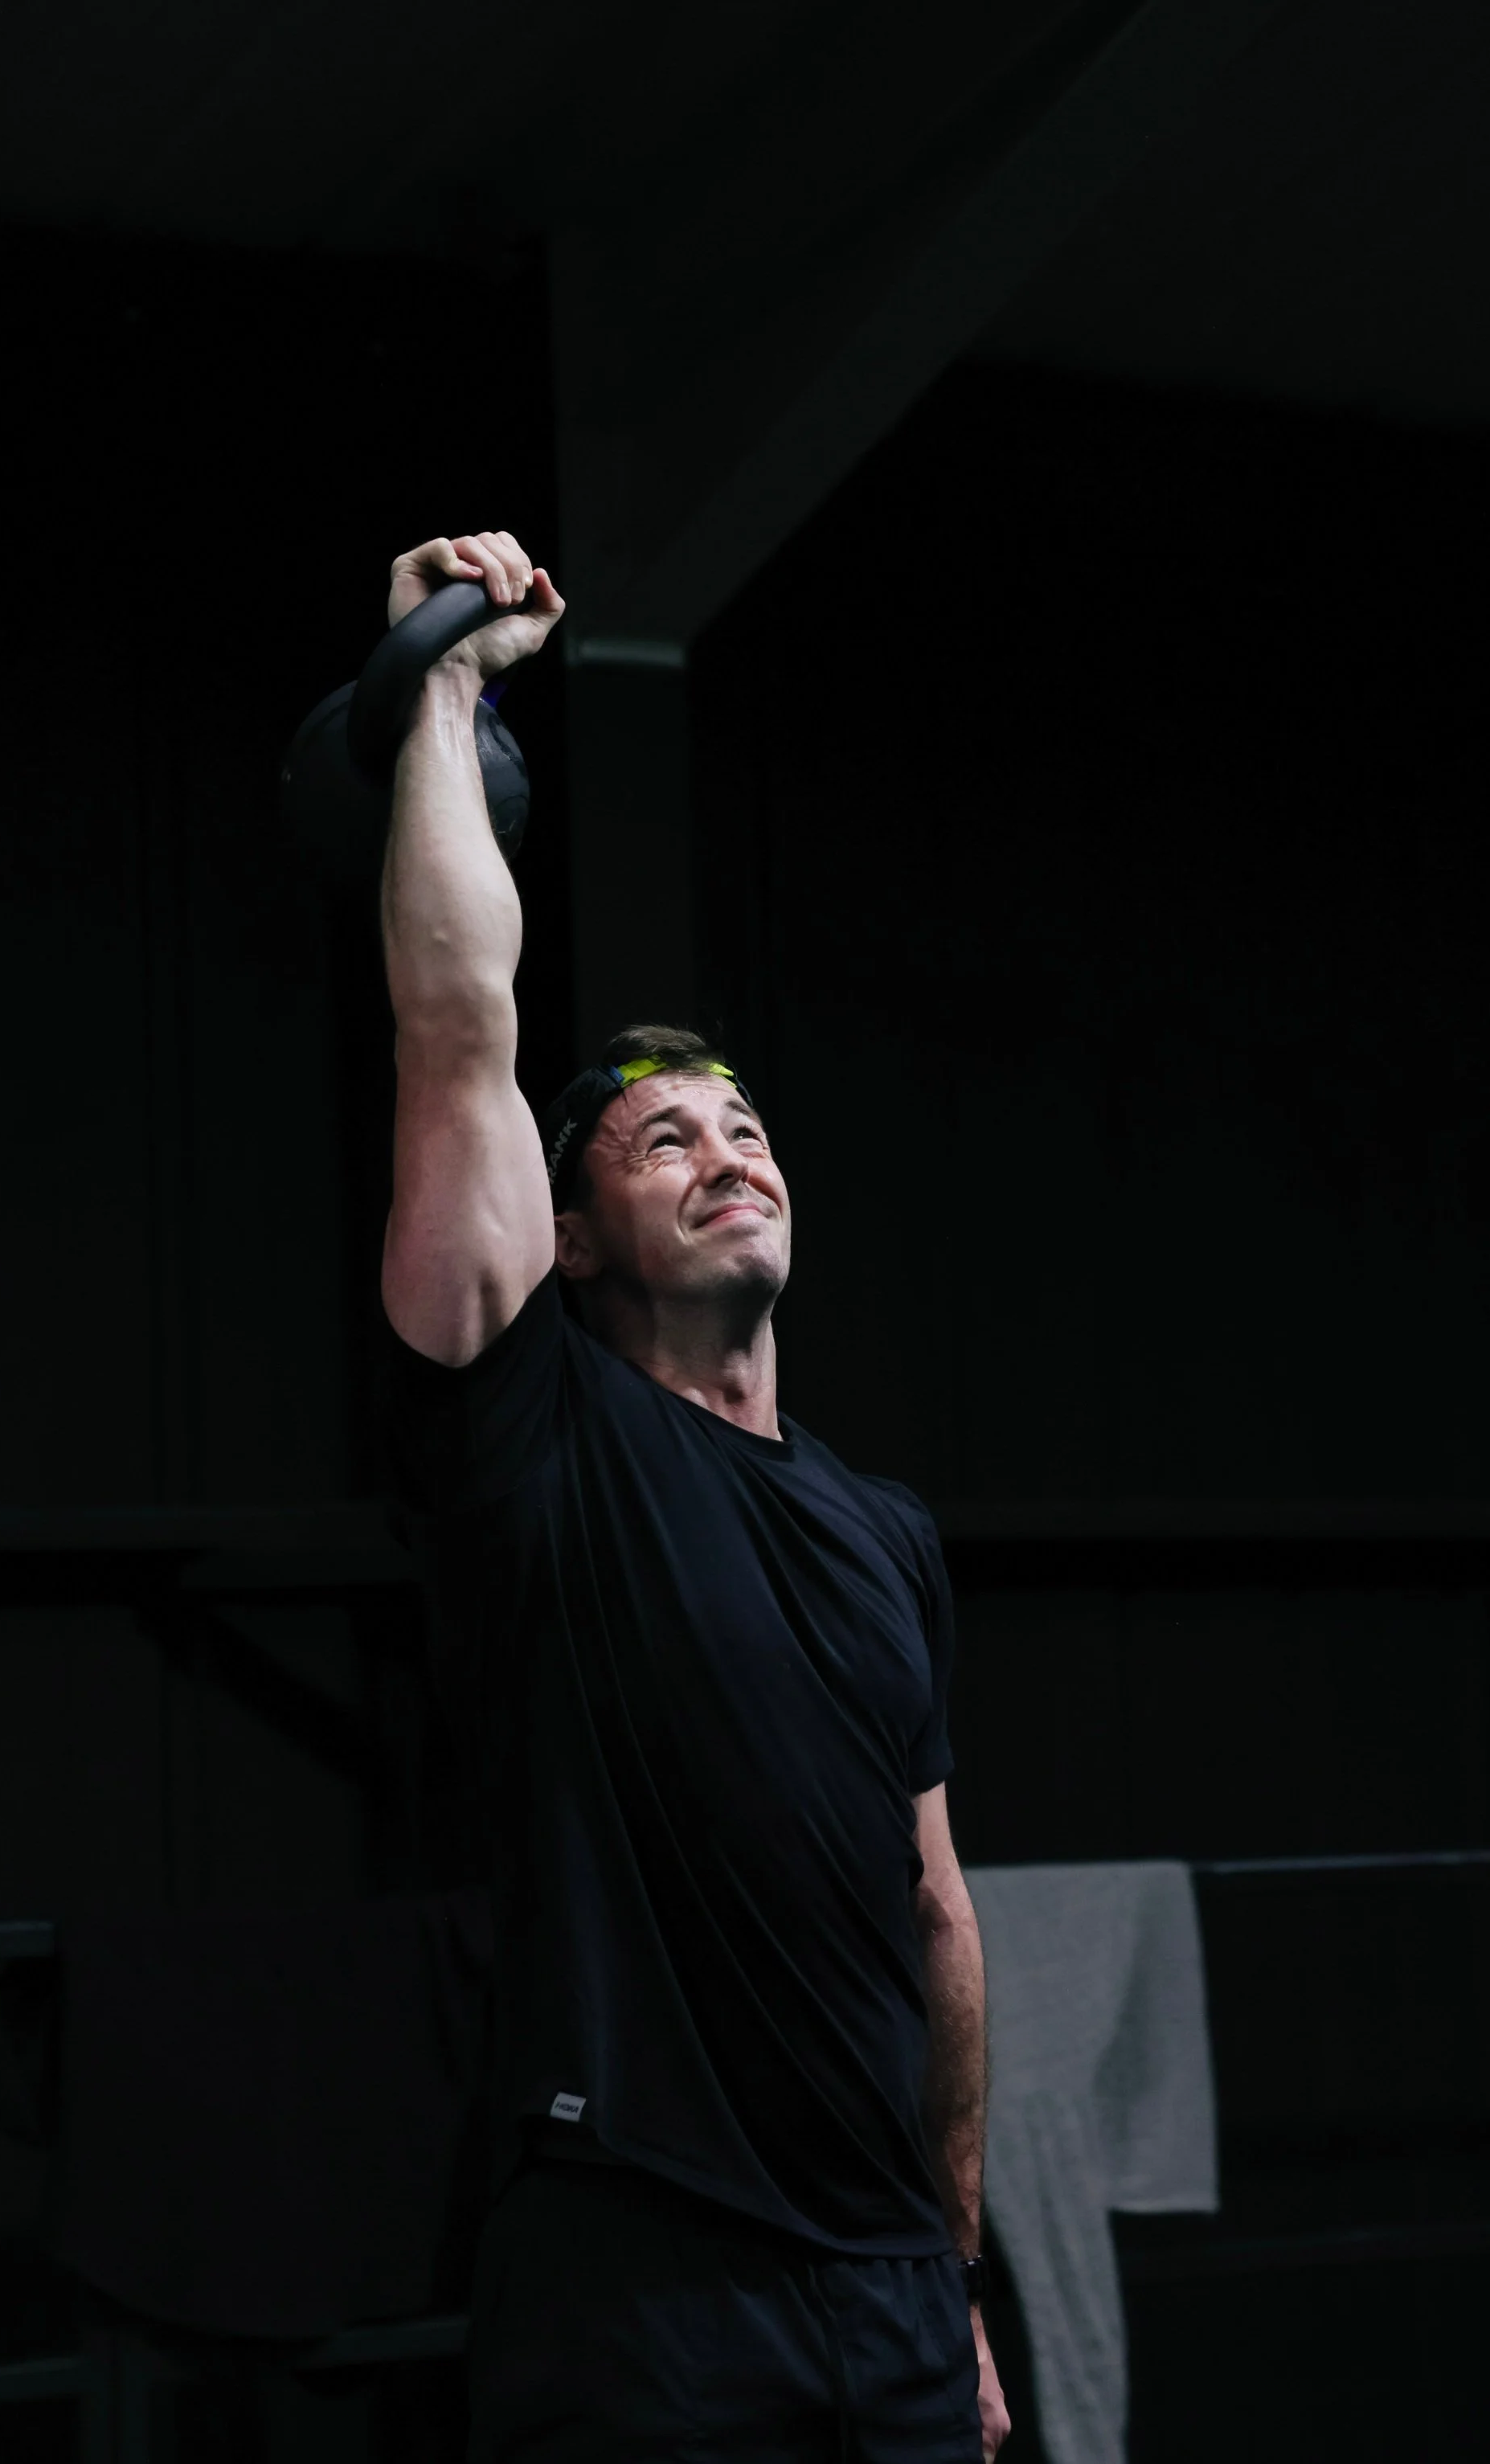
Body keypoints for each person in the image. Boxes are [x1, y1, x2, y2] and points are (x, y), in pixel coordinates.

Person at [379, 527, 1011, 2462]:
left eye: (742, 1126)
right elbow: (458, 1024)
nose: (729, 1152)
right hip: (642, 2290)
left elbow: (934, 1919)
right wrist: (442, 689)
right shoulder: (545, 1431)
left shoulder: (885, 1531)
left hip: (891, 2299)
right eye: (663, 1140)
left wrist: (951, 2274)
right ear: (569, 1237)